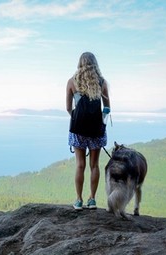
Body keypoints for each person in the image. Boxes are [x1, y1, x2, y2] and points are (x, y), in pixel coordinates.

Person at [66, 52, 111, 210]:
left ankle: (78, 200)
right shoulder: (102, 82)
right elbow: (107, 108)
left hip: (78, 129)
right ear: (95, 64)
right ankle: (92, 200)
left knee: (80, 165)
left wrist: (78, 119)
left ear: (80, 64)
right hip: (96, 130)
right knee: (94, 165)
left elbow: (68, 108)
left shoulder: (72, 82)